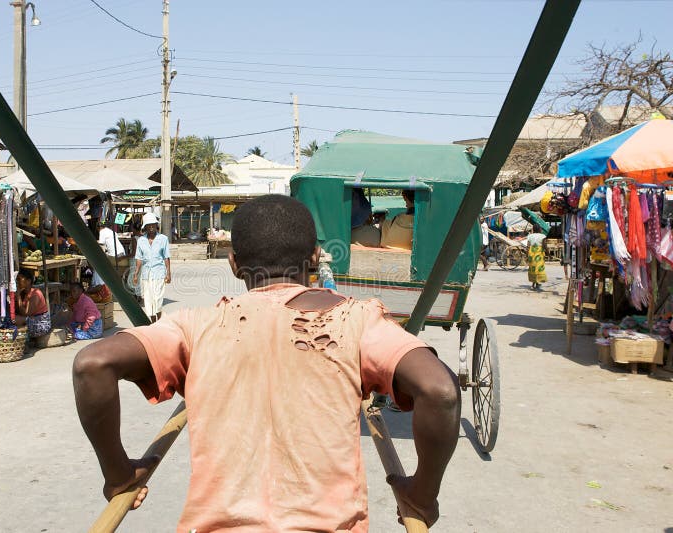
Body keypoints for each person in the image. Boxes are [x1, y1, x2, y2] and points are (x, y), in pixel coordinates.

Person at [73, 194, 460, 531]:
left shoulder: (195, 326)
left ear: (233, 263)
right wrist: (422, 494)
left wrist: (118, 474)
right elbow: (440, 391)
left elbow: (93, 364)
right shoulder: (356, 320)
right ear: (313, 257)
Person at [132, 213, 171, 322]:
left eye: (153, 225)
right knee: (148, 300)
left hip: (159, 273)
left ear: (156, 225)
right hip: (146, 274)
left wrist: (168, 273)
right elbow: (139, 258)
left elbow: (166, 257)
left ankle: (160, 321)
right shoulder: (141, 240)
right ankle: (153, 322)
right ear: (145, 227)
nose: (151, 227)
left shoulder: (163, 239)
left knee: (158, 298)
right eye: (149, 225)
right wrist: (136, 274)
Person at [15, 269, 52, 338]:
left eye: (20, 279)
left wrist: (18, 296)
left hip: (41, 324)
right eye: (17, 279)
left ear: (28, 281)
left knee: (16, 319)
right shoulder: (24, 293)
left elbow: (26, 313)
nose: (18, 282)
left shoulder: (35, 294)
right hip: (32, 320)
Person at [91, 221, 127, 287]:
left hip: (115, 255)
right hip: (121, 252)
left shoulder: (102, 232)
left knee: (98, 265)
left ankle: (99, 284)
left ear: (98, 228)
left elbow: (102, 246)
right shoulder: (110, 231)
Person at [527, 225, 548, 290]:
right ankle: (538, 283)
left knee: (533, 268)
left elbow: (528, 246)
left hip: (531, 254)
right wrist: (548, 253)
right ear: (539, 229)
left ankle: (533, 284)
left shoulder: (530, 236)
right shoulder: (542, 236)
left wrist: (527, 255)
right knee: (539, 268)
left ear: (533, 229)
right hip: (539, 254)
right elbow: (544, 246)